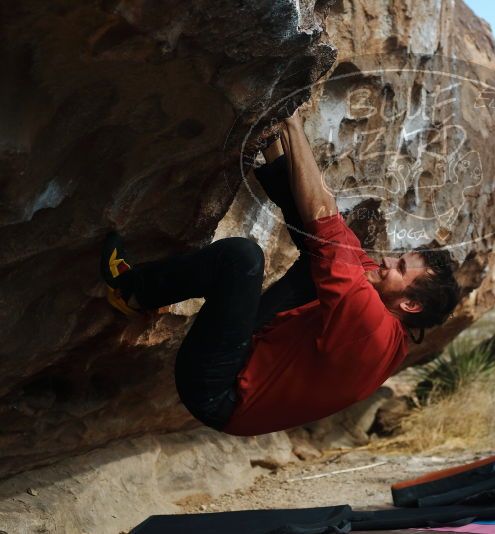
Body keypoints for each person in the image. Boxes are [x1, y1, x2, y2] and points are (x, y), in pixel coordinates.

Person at [100, 112, 461, 436]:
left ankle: (132, 293)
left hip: (219, 393)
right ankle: (269, 145)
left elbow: (324, 214)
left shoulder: (371, 329)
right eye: (397, 258)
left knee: (241, 258)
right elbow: (328, 235)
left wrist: (292, 122)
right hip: (254, 353)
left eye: (399, 268)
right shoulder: (380, 302)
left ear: (410, 303)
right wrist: (280, 141)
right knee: (317, 258)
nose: (385, 262)